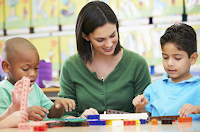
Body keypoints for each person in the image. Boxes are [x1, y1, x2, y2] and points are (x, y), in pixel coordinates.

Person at [58, 1, 151, 118]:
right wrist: (80, 119)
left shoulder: (137, 63)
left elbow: (146, 115)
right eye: (100, 39)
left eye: (113, 35)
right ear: (85, 36)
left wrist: (141, 106)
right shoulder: (71, 66)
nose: (109, 44)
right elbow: (66, 116)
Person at [133, 23, 200, 120]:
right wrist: (140, 106)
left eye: (177, 58)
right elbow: (142, 119)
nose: (170, 63)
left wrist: (197, 108)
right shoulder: (153, 88)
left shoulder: (198, 87)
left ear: (193, 58)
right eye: (165, 57)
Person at [0, 37, 75, 121]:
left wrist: (58, 106)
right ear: (6, 67)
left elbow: (51, 114)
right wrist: (25, 113)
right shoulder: (2, 90)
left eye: (36, 68)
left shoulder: (34, 88)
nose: (33, 74)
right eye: (25, 69)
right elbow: (2, 122)